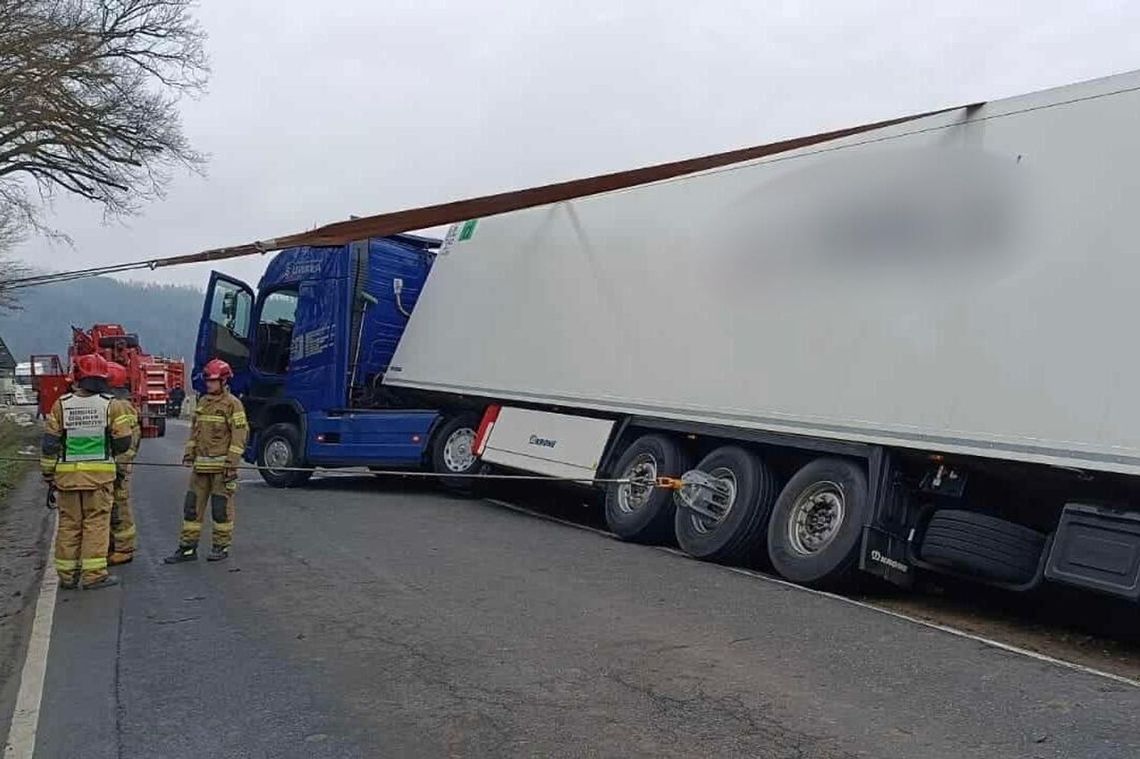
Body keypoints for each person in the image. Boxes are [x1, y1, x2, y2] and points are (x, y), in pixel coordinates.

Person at [41, 354, 137, 590]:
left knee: (69, 525)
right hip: (99, 479)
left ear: (78, 377)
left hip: (67, 479)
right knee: (96, 524)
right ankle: (93, 575)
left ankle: (67, 576)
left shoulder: (61, 405)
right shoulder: (111, 405)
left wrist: (48, 475)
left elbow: (50, 446)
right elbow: (123, 443)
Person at [164, 358, 248, 564]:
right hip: (200, 469)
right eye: (208, 380)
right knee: (191, 508)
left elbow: (239, 436)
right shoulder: (202, 403)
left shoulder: (233, 405)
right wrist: (189, 453)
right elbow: (195, 432)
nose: (209, 384)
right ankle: (187, 548)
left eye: (213, 381)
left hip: (221, 471)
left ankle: (221, 546)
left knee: (220, 509)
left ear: (224, 381)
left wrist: (231, 464)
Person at [108, 406, 141, 565]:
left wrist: (119, 467)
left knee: (119, 504)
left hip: (117, 466)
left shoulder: (121, 407)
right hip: (108, 466)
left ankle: (124, 549)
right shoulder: (112, 403)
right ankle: (111, 545)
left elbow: (130, 441)